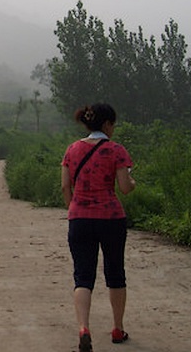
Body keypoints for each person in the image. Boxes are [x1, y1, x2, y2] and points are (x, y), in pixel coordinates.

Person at [61, 103, 136, 352]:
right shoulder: (116, 151)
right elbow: (124, 187)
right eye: (113, 124)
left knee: (83, 276)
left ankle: (84, 328)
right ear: (106, 125)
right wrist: (132, 182)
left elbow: (65, 187)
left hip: (79, 218)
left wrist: (75, 209)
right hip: (111, 218)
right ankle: (117, 328)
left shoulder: (72, 150)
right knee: (115, 274)